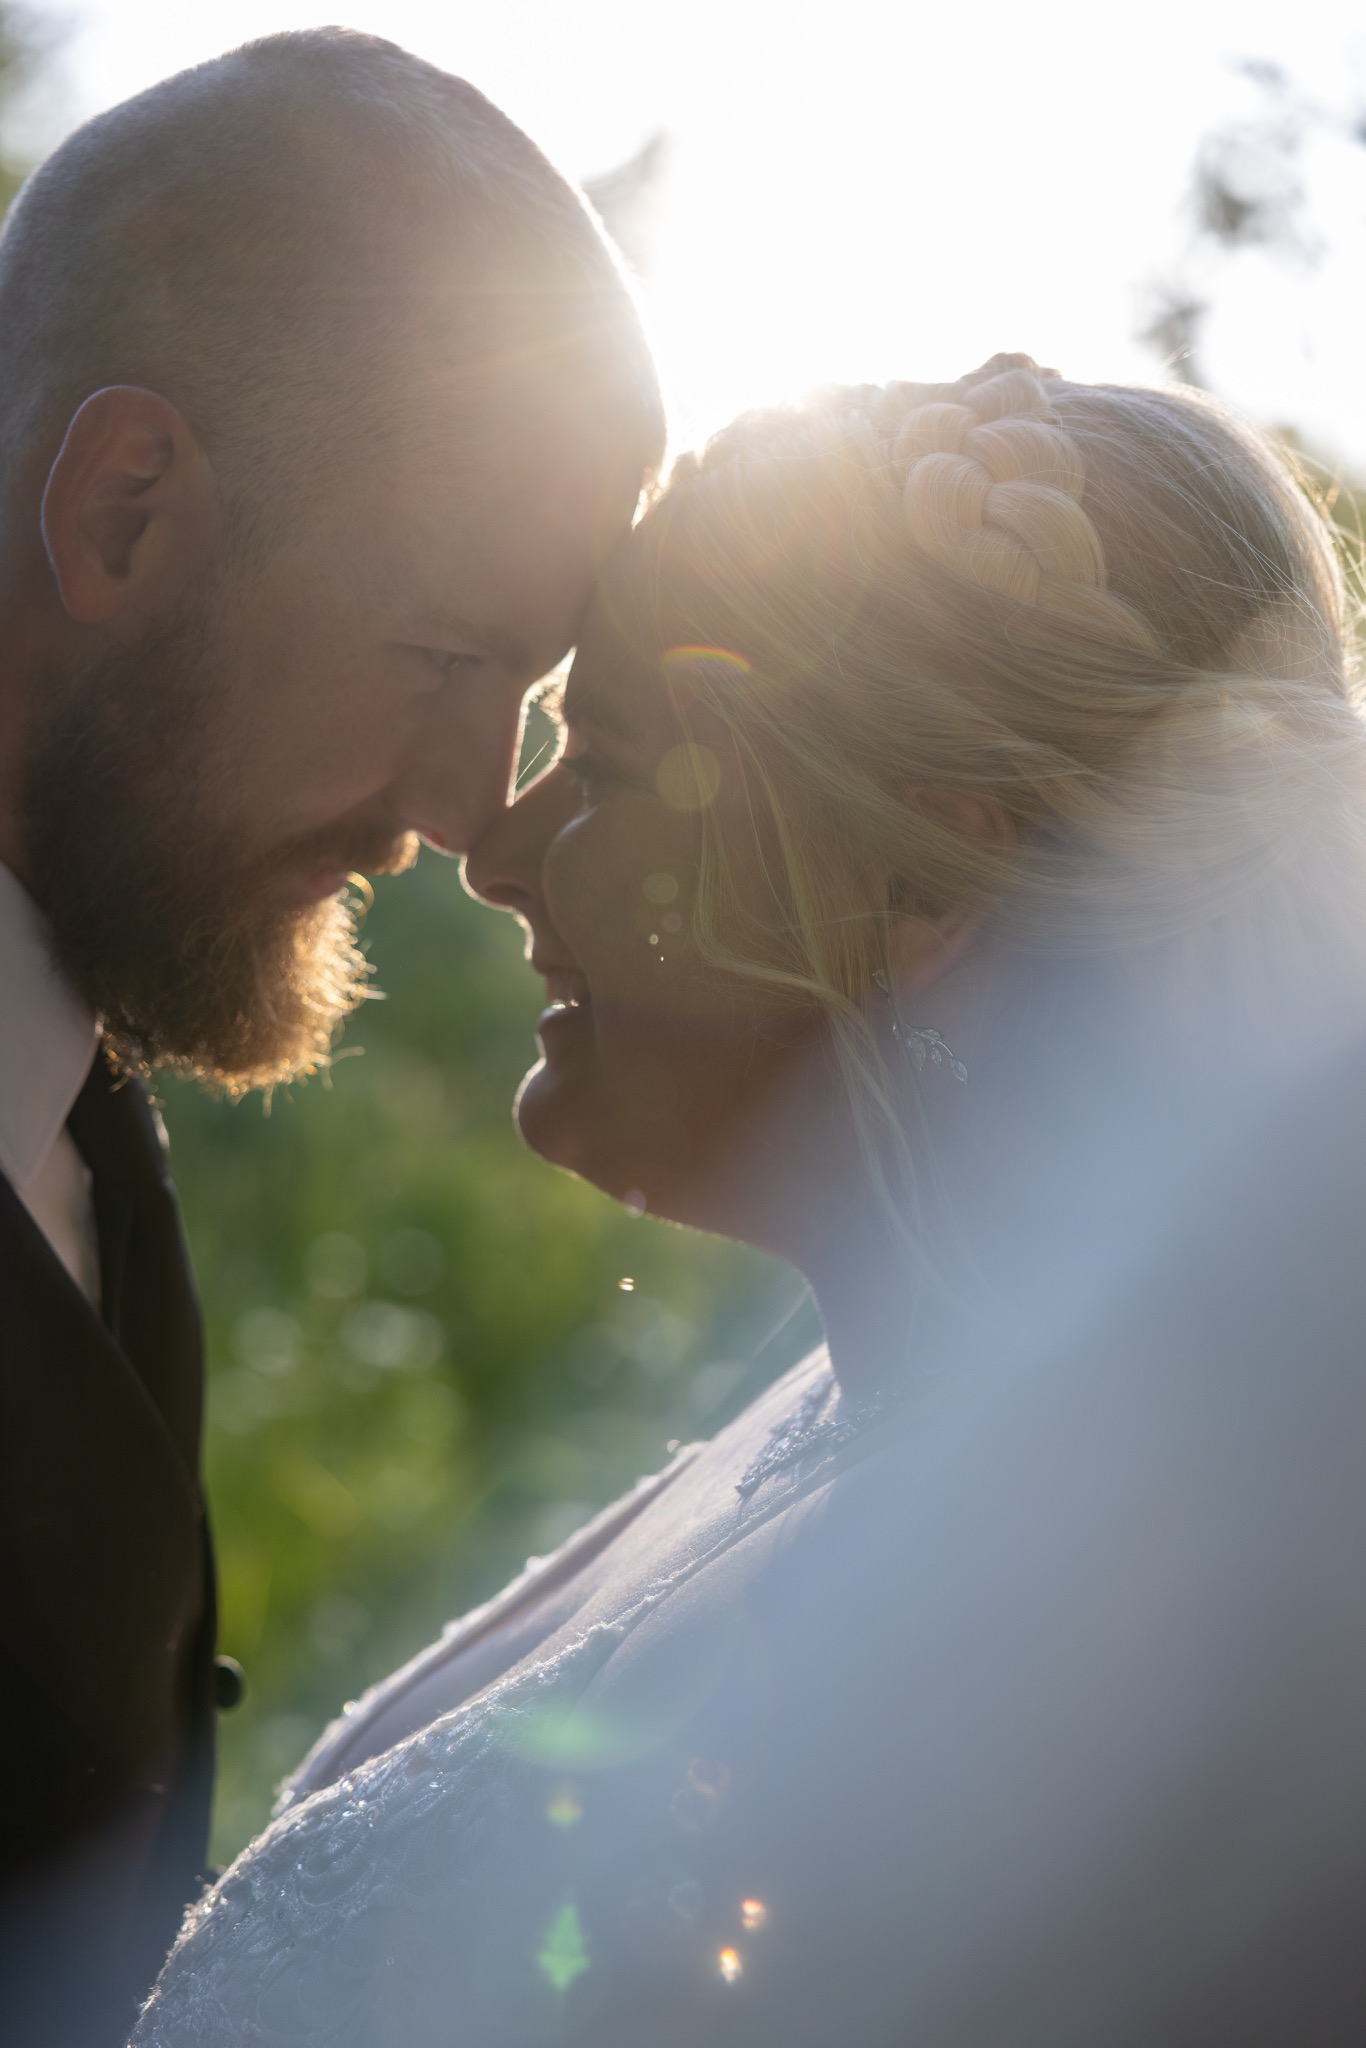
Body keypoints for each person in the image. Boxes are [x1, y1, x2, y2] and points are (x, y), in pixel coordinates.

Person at [134, 357, 1366, 2044]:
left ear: (913, 878)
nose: (494, 844)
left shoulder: (1031, 1645)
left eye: (612, 756)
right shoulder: (834, 1418)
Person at [0, 28, 662, 2047]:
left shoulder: (79, 1092)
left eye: (529, 681)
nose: (472, 807)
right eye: (445, 654)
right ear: (126, 508)